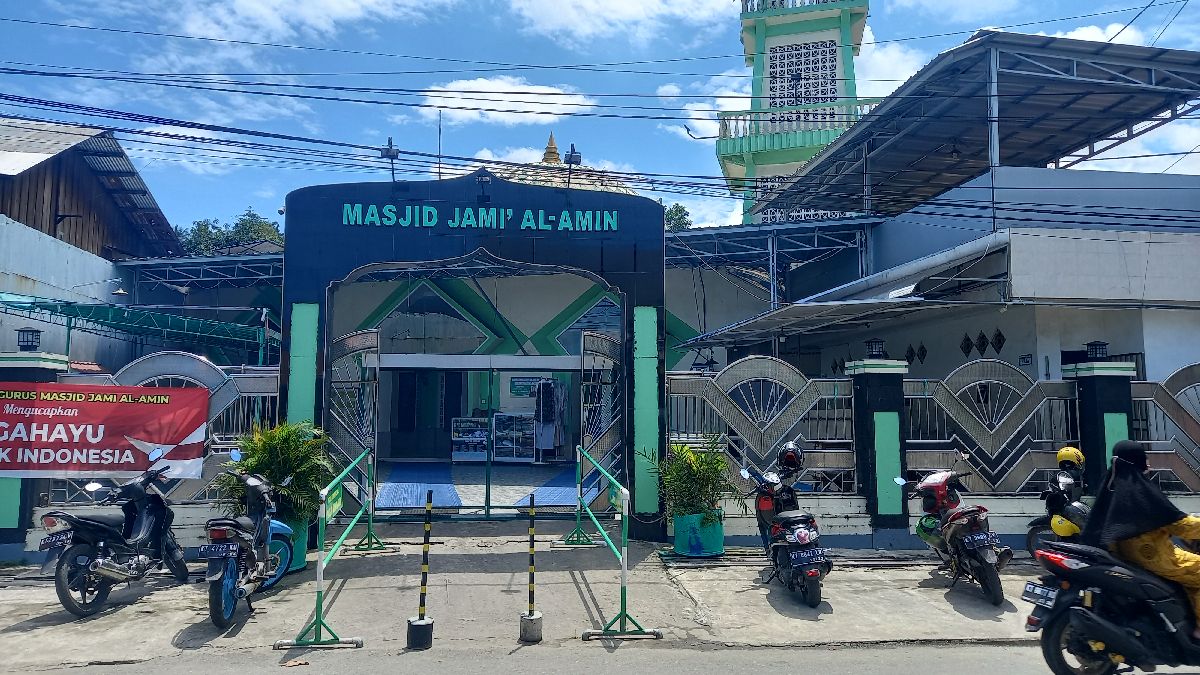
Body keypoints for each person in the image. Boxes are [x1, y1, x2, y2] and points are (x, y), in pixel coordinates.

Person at [1082, 439, 1200, 640]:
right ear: (1137, 461)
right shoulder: (1140, 490)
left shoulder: (1114, 485)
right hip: (1156, 557)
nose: (1149, 464)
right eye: (1144, 459)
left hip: (1128, 556)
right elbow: (1180, 526)